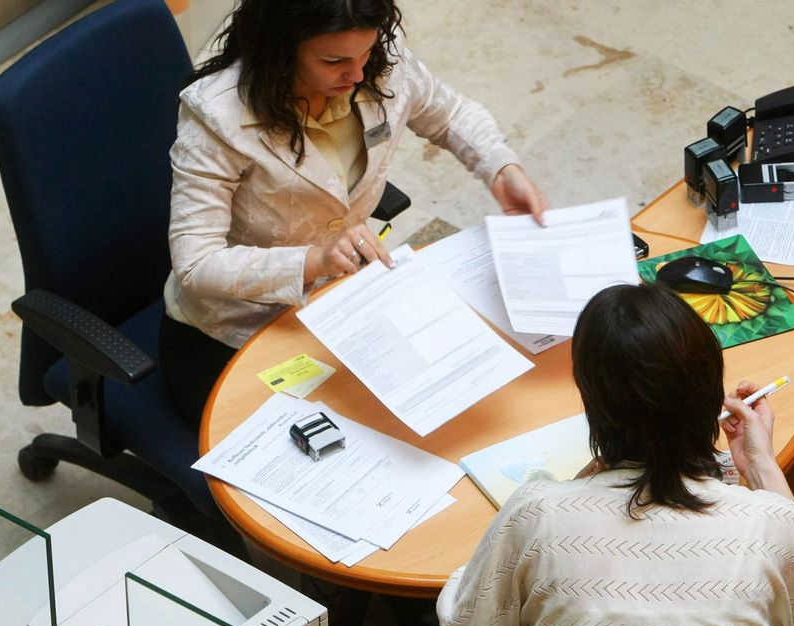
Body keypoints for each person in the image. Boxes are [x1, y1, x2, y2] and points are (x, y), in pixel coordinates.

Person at [159, 0, 546, 428]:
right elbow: (197, 265)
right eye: (334, 61)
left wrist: (500, 166)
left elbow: (450, 113)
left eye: (365, 53)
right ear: (281, 46)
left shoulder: (376, 57)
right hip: (233, 336)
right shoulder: (217, 116)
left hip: (344, 305)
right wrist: (313, 260)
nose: (358, 74)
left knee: (442, 416)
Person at [437, 283, 794, 626]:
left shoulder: (537, 515)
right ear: (709, 390)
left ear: (591, 399)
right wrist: (762, 469)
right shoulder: (772, 524)